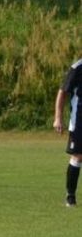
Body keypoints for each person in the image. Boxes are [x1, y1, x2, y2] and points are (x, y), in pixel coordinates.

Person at [53, 57, 82, 206]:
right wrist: (58, 117)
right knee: (78, 156)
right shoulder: (77, 68)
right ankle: (70, 196)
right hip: (79, 121)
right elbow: (62, 92)